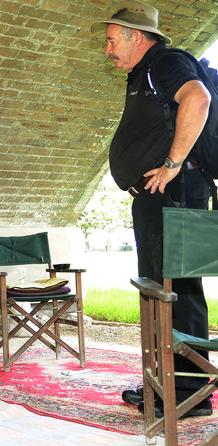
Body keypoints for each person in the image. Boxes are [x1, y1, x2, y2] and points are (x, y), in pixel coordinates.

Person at [91, 2, 212, 416]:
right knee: (162, 292)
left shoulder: (166, 61)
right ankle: (168, 385)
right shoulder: (142, 72)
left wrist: (171, 165)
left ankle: (189, 395)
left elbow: (198, 98)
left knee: (177, 292)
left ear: (136, 36)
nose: (107, 50)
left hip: (175, 196)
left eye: (111, 40)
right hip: (160, 199)